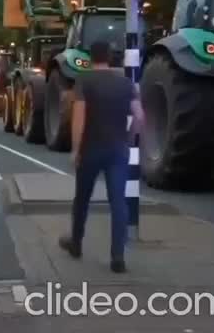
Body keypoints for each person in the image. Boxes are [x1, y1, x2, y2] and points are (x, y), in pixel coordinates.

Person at [60, 41, 145, 274]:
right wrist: (129, 138)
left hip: (91, 148)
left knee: (83, 198)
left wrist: (76, 149)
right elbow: (139, 116)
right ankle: (118, 257)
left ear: (90, 58)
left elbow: (79, 117)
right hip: (118, 150)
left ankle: (76, 242)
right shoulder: (126, 83)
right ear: (110, 57)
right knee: (119, 202)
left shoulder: (84, 81)